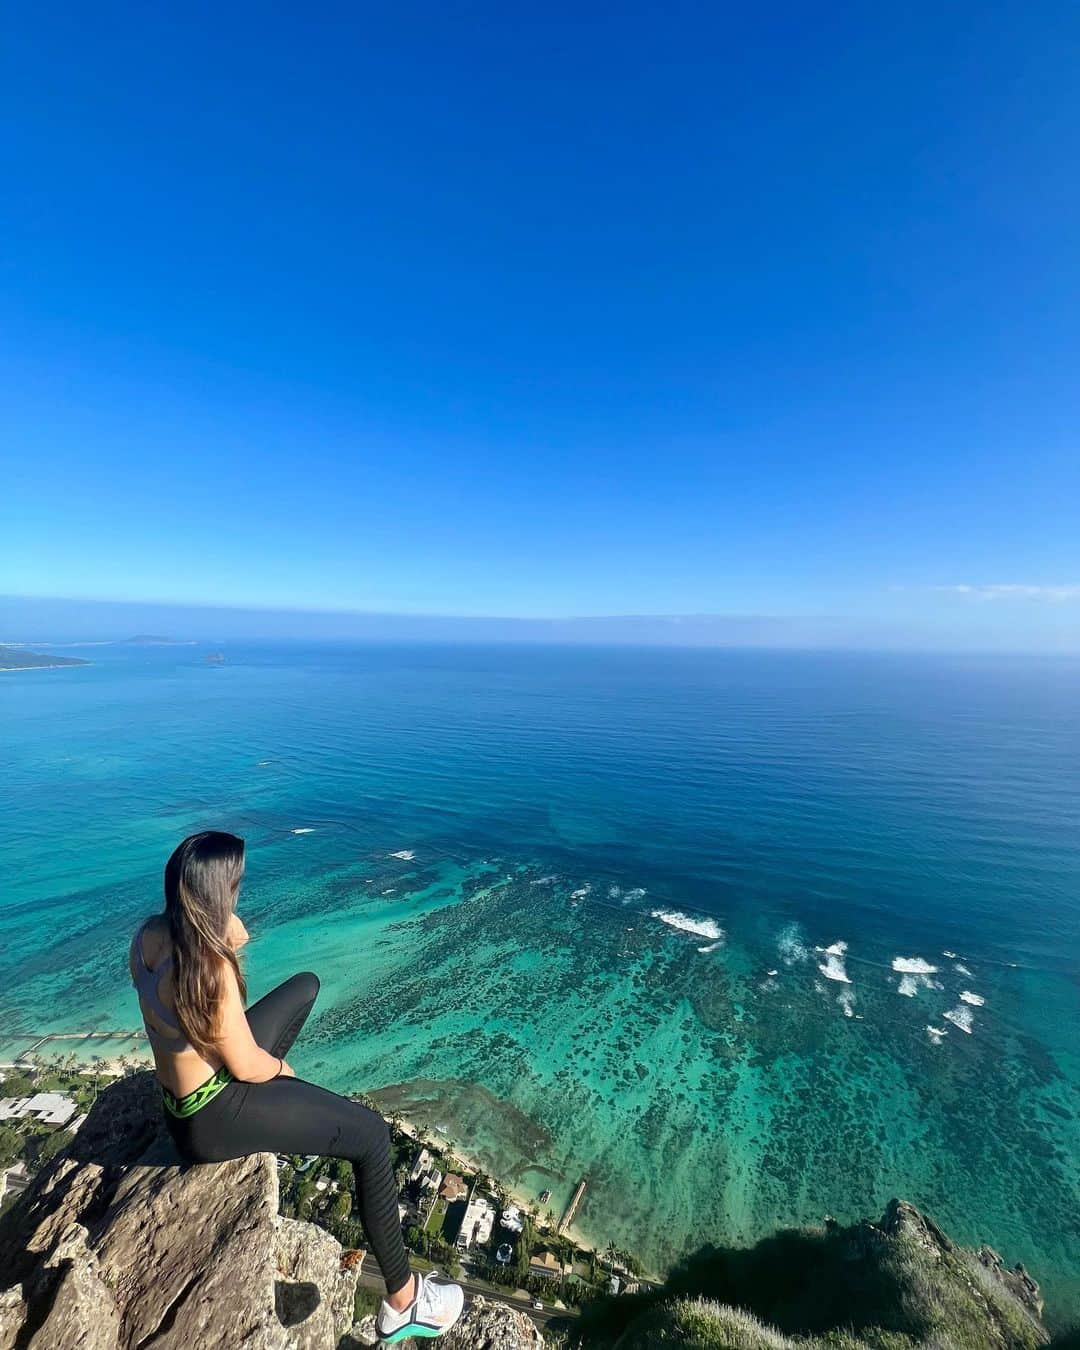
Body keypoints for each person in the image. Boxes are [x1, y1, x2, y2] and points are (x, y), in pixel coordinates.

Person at [129, 830, 464, 1343]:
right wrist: (283, 1076)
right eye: (235, 884)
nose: (240, 891)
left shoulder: (150, 937)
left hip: (185, 1097)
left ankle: (280, 1115)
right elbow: (246, 1066)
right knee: (372, 1137)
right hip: (214, 1116)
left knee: (304, 985)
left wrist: (222, 931)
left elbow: (209, 987)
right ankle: (404, 1299)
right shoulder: (209, 969)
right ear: (218, 893)